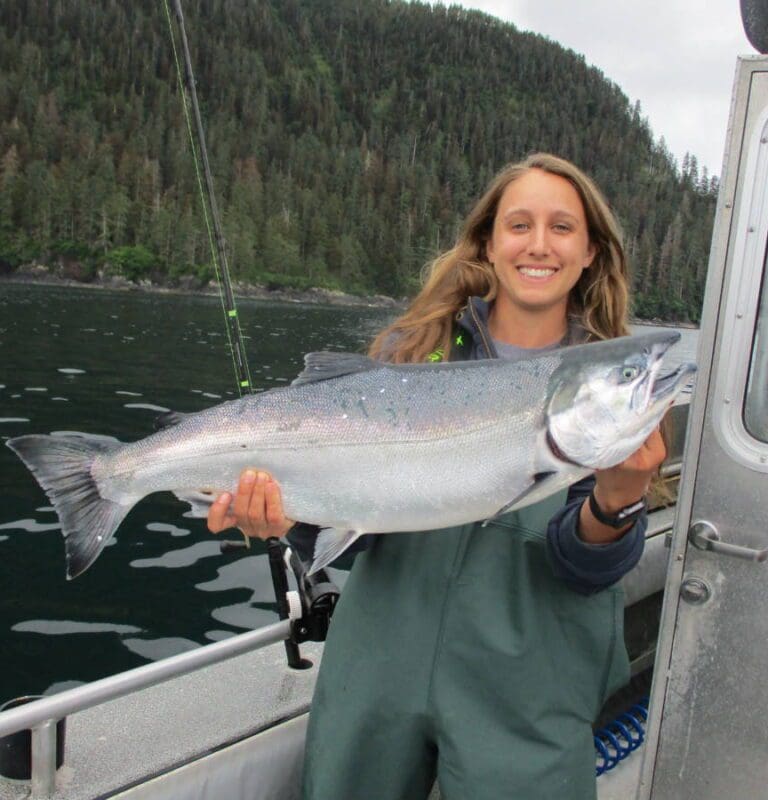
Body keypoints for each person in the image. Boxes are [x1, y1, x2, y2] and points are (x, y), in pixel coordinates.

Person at [207, 153, 665, 800]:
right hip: (377, 670)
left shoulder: (603, 392)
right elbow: (357, 533)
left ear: (591, 251)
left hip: (528, 684)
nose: (539, 244)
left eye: (563, 228)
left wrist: (619, 501)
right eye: (519, 225)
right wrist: (292, 518)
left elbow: (579, 566)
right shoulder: (413, 354)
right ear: (487, 243)